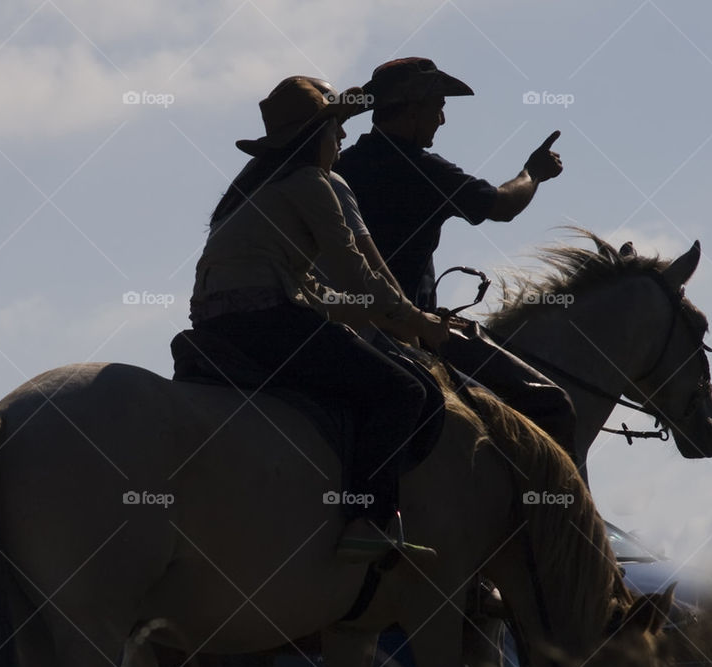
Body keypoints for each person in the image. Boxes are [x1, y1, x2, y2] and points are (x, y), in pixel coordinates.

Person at [189, 76, 448, 563]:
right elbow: (355, 272)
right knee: (404, 391)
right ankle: (367, 518)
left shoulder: (253, 190)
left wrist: (399, 317)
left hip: (220, 324)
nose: (343, 138)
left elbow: (316, 293)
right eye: (335, 130)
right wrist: (416, 322)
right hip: (267, 321)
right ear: (317, 137)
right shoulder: (310, 184)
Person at [336, 57, 579, 462]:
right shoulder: (421, 168)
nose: (442, 120)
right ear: (414, 107)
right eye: (437, 108)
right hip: (405, 329)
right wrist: (533, 172)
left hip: (339, 321)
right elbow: (503, 205)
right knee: (551, 405)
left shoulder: (342, 165)